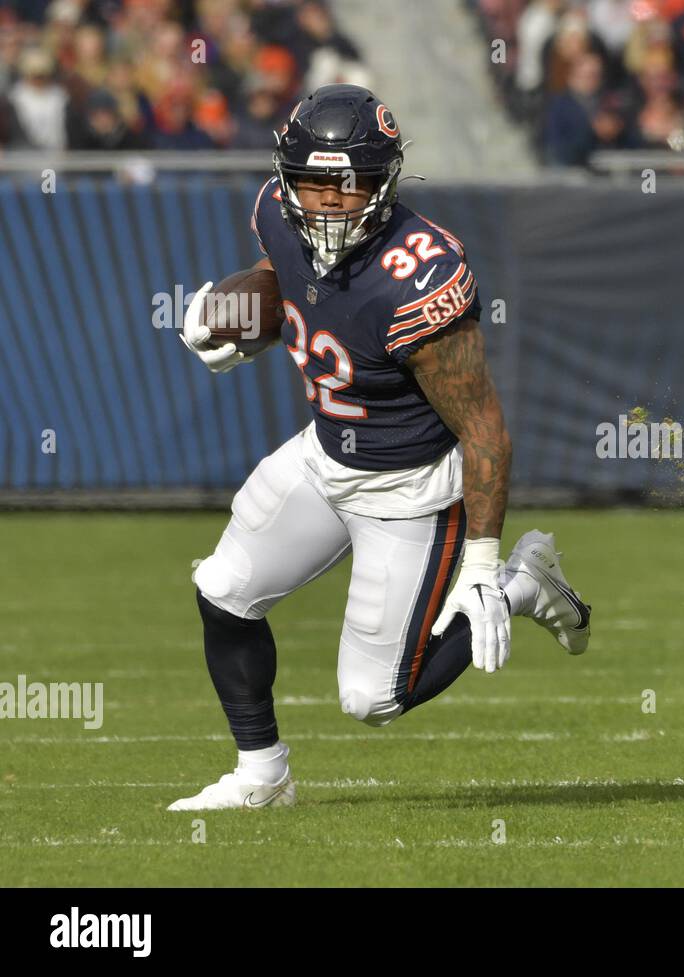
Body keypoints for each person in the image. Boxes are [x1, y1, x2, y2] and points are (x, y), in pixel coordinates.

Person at [169, 85, 591, 811]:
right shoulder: (277, 210)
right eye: (313, 183)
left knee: (374, 698)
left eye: (350, 183)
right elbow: (286, 287)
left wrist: (485, 566)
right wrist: (235, 315)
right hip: (325, 456)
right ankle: (262, 774)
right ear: (287, 175)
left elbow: (485, 427)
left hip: (411, 489)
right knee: (223, 591)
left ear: (384, 181)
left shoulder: (415, 274)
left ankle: (527, 580)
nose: (329, 201)